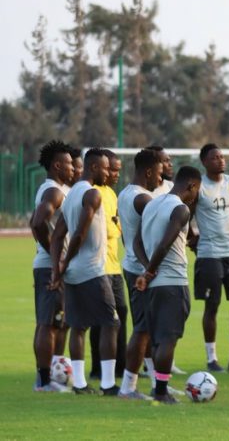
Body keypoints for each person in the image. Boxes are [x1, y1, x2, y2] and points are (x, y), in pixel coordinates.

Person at [49, 148, 119, 395]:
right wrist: (64, 262)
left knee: (78, 326)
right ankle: (109, 384)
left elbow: (57, 235)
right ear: (93, 168)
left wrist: (58, 269)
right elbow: (78, 234)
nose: (109, 172)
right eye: (106, 168)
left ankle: (79, 384)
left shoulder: (71, 195)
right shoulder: (92, 194)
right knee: (111, 323)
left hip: (74, 274)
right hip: (92, 271)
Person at [133, 166, 202, 404]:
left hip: (154, 285)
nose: (196, 197)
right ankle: (161, 392)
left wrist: (147, 271)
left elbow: (135, 242)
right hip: (172, 282)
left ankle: (158, 386)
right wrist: (150, 270)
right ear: (191, 186)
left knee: (157, 338)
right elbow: (164, 244)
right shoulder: (180, 210)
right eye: (196, 191)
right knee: (168, 339)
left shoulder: (152, 204)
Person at [192, 143, 229, 373]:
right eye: (215, 157)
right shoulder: (198, 187)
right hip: (209, 254)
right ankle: (211, 359)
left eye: (222, 156)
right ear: (205, 162)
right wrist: (191, 237)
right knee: (212, 306)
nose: (221, 160)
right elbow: (185, 214)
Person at [116, 149, 165, 400]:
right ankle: (128, 387)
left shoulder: (125, 193)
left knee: (147, 329)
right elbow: (150, 237)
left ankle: (157, 385)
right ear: (148, 172)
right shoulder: (144, 200)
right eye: (159, 172)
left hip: (131, 265)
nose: (161, 177)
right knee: (143, 329)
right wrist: (150, 268)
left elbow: (127, 236)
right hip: (141, 271)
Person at [29, 140, 75, 392]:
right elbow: (37, 223)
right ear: (57, 166)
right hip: (50, 267)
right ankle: (44, 381)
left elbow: (31, 221)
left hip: (50, 265)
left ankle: (51, 377)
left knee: (56, 322)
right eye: (68, 164)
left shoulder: (50, 189)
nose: (72, 168)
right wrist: (56, 257)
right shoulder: (54, 192)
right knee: (48, 323)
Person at [88, 150, 127, 380]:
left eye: (118, 171)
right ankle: (97, 369)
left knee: (120, 314)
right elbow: (104, 229)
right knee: (102, 320)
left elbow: (117, 226)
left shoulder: (112, 194)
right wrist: (115, 227)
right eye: (112, 169)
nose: (115, 174)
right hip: (99, 267)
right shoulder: (92, 193)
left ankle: (120, 367)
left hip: (115, 267)